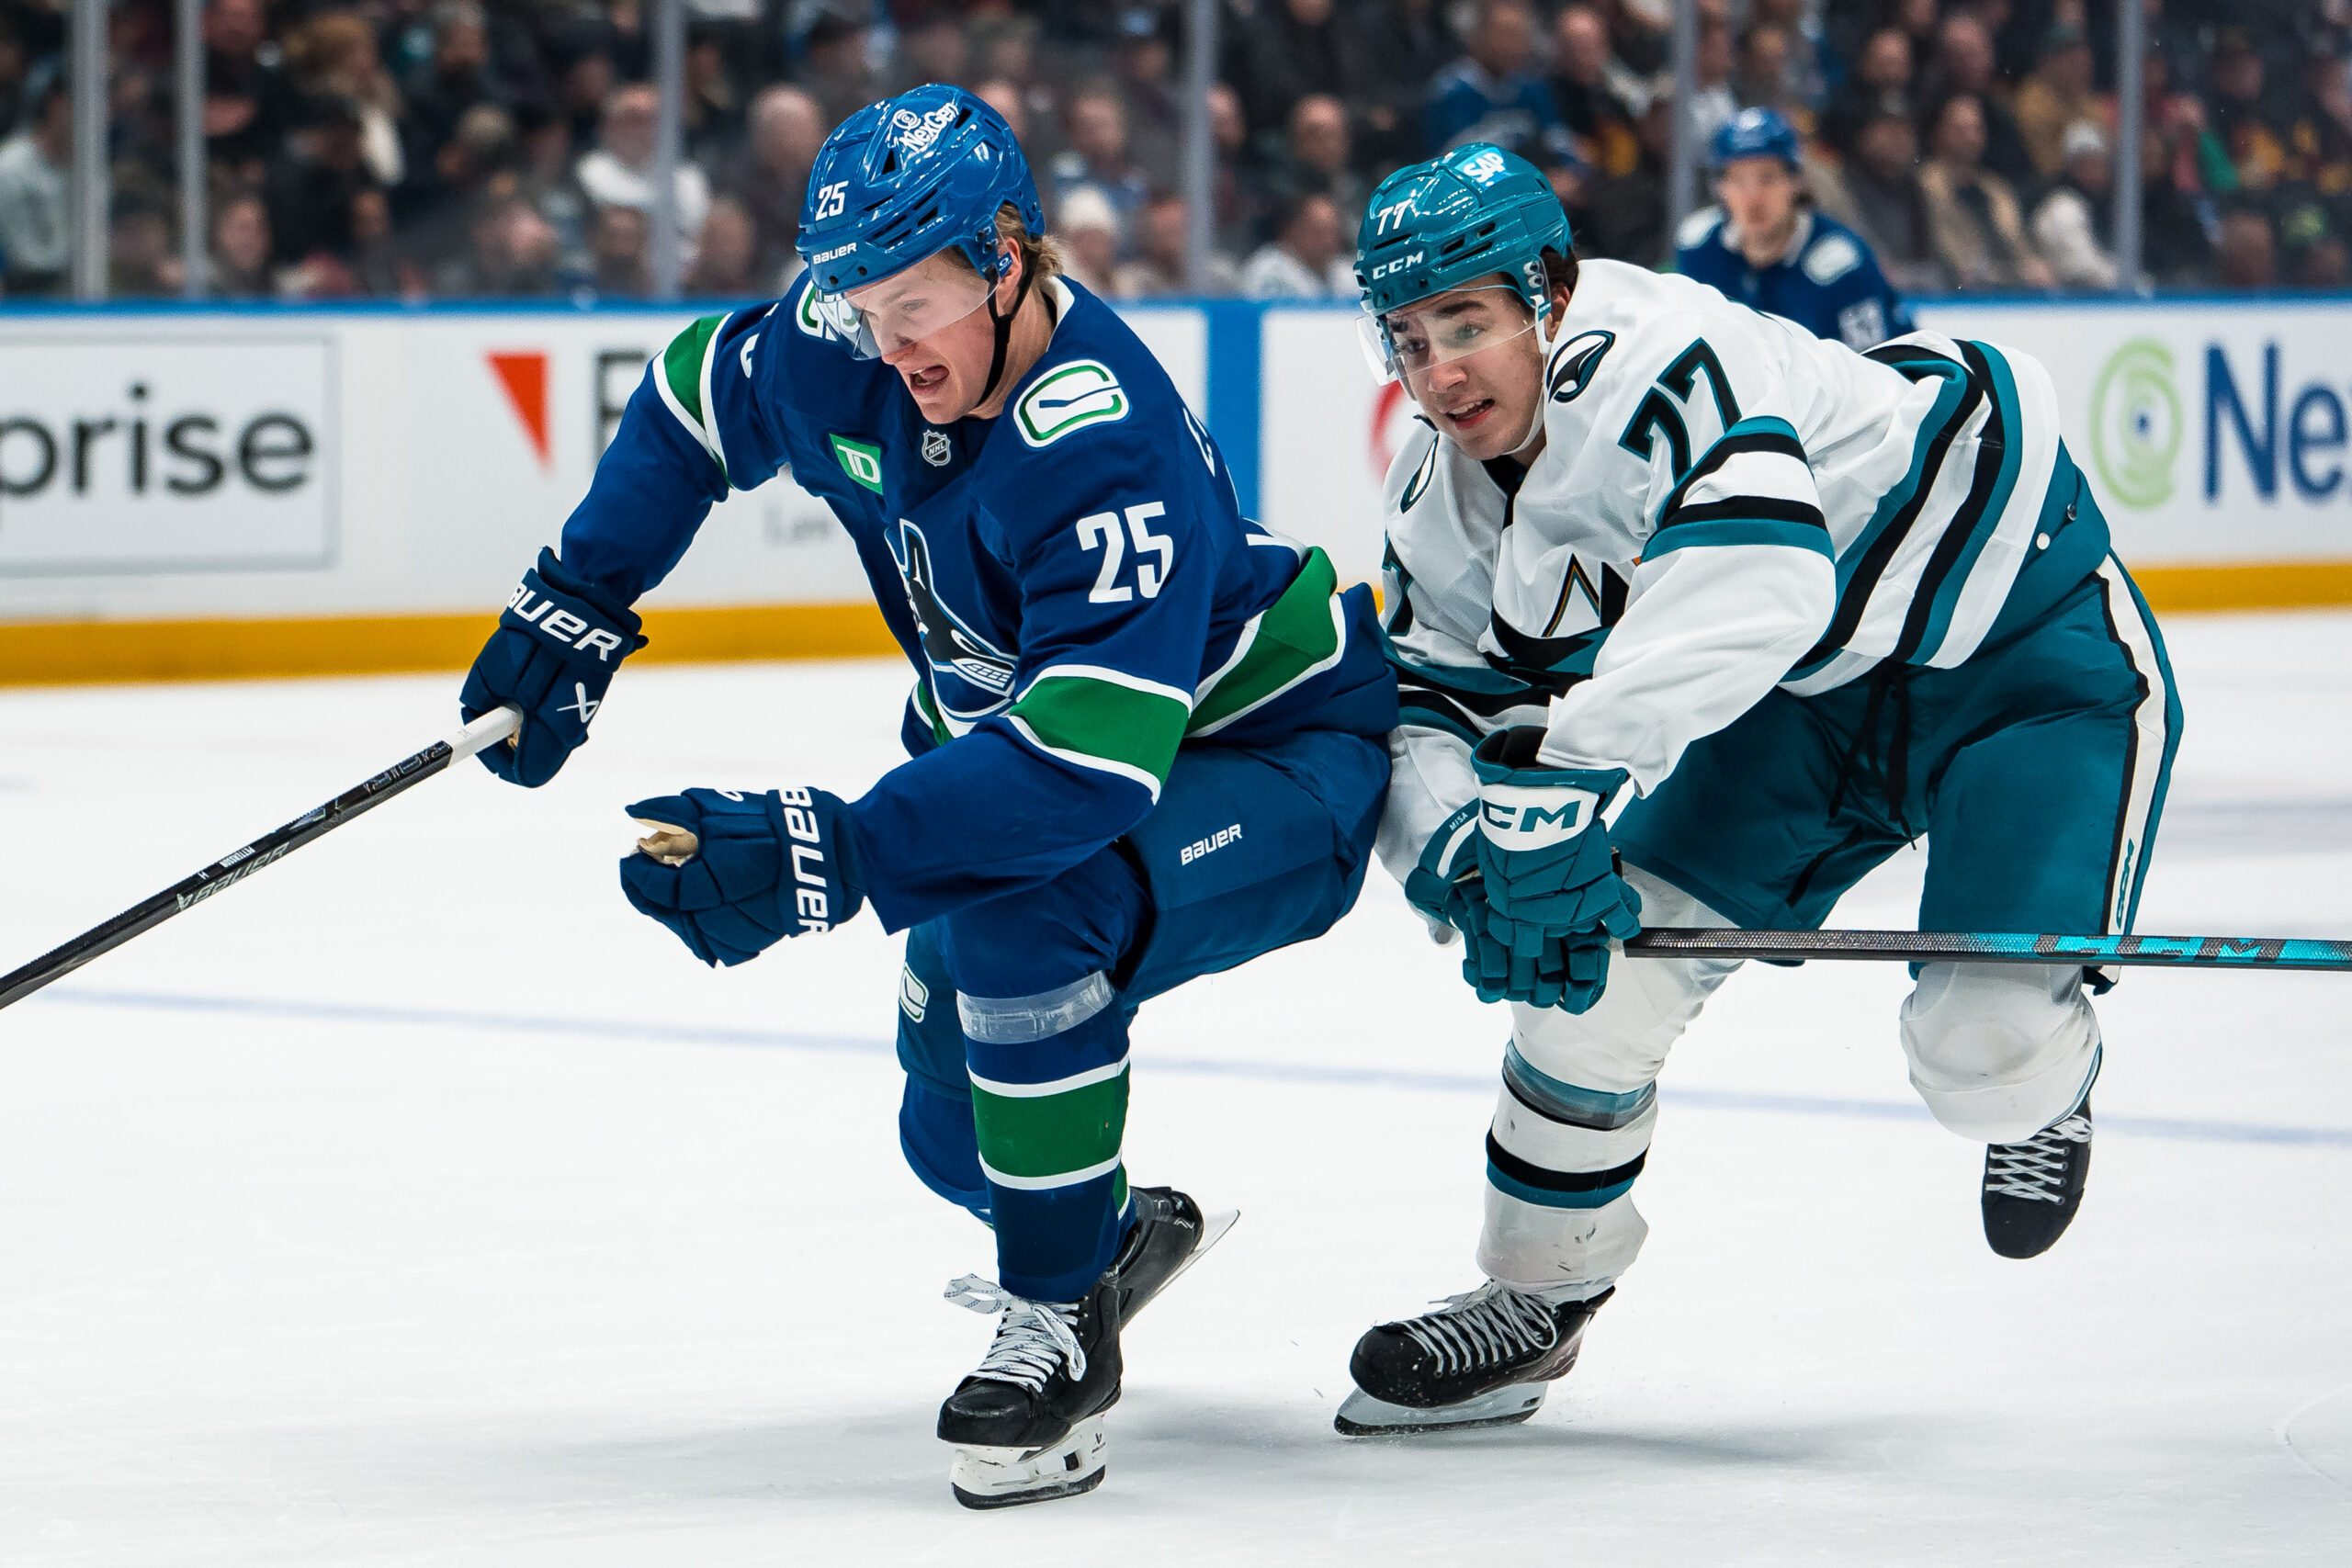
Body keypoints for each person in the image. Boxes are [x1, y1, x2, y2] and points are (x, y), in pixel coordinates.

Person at [456, 85, 1396, 1506]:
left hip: (1274, 754)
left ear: (1007, 261)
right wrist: (580, 595)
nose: (887, 351)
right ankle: (1103, 1232)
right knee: (942, 1130)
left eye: (914, 309)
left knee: (1027, 909)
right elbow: (700, 394)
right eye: (859, 308)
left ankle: (1062, 1322)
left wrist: (836, 847)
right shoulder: (854, 345)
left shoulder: (1100, 440)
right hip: (1055, 751)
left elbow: (1086, 764)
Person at [1335, 143, 2178, 1435]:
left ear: (1548, 295)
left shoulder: (1652, 358)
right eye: (1409, 335)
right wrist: (1457, 852)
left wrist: (1562, 785)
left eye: (1468, 322)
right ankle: (1536, 1299)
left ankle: (2045, 1086)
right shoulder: (1439, 497)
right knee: (1590, 999)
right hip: (1802, 699)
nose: (1439, 371)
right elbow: (1424, 704)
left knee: (1983, 1052)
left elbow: (1760, 575)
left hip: (2014, 649)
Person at [1676, 107, 1913, 349]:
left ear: (1796, 181)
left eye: (1767, 178)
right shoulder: (1698, 246)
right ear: (1721, 189)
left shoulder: (1842, 266)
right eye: (1738, 180)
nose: (1753, 197)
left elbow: (1873, 370)